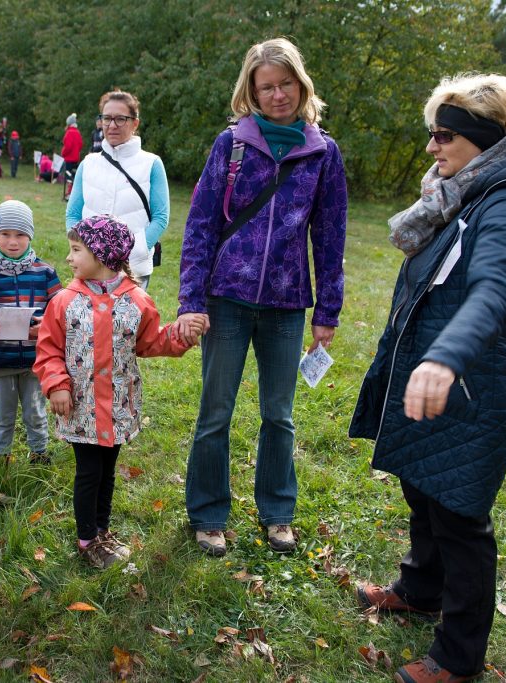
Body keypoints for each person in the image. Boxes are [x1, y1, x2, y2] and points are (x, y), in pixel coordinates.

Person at [348, 74, 506, 683]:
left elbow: (496, 288)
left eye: (443, 135)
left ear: (480, 138)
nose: (431, 147)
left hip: (470, 384)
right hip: (431, 373)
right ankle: (420, 590)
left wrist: (446, 357)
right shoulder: (460, 193)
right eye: (432, 133)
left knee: (460, 515)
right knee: (423, 486)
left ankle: (458, 657)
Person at [177, 38, 348, 558]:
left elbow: (331, 236)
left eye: (285, 84)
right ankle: (208, 514)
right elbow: (200, 225)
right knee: (215, 412)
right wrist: (191, 300)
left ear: (301, 84)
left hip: (286, 304)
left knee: (280, 414)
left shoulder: (323, 152)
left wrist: (328, 310)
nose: (277, 95)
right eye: (266, 87)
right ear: (251, 92)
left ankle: (278, 513)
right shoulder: (231, 145)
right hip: (226, 298)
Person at [34, 215, 202, 569]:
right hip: (80, 408)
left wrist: (182, 335)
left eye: (76, 250)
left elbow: (152, 342)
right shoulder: (64, 301)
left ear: (102, 255)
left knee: (107, 471)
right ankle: (87, 540)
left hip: (118, 406)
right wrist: (57, 385)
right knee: (89, 472)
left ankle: (102, 531)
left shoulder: (137, 300)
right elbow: (48, 349)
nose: (69, 258)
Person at [0, 200, 62, 462]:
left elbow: (60, 310)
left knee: (35, 411)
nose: (12, 242)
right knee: (3, 414)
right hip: (1, 358)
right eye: (5, 234)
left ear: (30, 236)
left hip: (37, 359)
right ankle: (0, 457)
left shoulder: (45, 273)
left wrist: (46, 326)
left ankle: (39, 454)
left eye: (20, 234)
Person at [65, 90, 169, 291]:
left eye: (120, 119)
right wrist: (82, 250)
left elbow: (161, 217)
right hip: (90, 267)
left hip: (133, 268)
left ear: (135, 123)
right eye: (107, 118)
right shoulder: (88, 164)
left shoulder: (151, 164)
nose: (112, 125)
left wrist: (135, 250)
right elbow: (73, 214)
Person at [60, 113, 83, 200]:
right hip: (76, 158)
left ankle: (69, 193)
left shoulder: (69, 132)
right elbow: (80, 145)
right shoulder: (78, 132)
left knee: (68, 176)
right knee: (73, 176)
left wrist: (63, 153)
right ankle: (72, 192)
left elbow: (68, 146)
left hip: (69, 158)